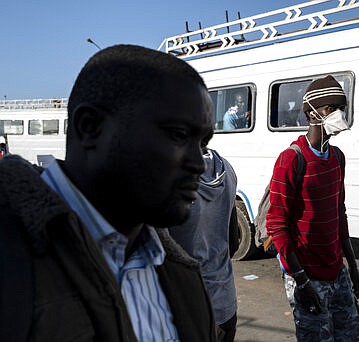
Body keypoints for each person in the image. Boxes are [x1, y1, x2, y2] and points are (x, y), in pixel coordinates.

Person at [0, 45, 216, 341]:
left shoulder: (184, 277)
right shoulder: (11, 261)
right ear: (90, 128)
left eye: (202, 144)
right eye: (178, 135)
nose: (198, 164)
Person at [266, 75, 359, 341]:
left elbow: (339, 214)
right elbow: (277, 224)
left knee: (354, 336)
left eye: (341, 108)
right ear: (311, 114)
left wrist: (353, 267)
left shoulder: (337, 157)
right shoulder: (291, 159)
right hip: (307, 274)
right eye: (331, 109)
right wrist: (301, 281)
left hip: (337, 272)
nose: (338, 115)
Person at [169, 130, 239, 342]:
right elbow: (233, 241)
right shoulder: (226, 168)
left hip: (190, 310)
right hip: (226, 303)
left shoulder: (170, 177)